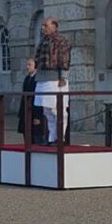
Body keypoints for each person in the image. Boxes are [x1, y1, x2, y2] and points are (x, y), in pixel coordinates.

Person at [33, 17, 71, 145]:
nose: (43, 28)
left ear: (54, 26)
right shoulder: (43, 40)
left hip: (55, 79)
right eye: (43, 25)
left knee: (58, 110)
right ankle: (51, 137)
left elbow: (65, 59)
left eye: (46, 25)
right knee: (47, 111)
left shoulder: (61, 40)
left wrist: (63, 77)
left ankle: (60, 137)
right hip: (43, 77)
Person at [17, 57, 45, 144]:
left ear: (35, 66)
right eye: (27, 64)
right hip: (26, 111)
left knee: (35, 138)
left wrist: (38, 116)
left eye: (30, 65)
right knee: (26, 137)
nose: (27, 67)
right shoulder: (26, 79)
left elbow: (40, 98)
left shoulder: (38, 79)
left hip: (35, 111)